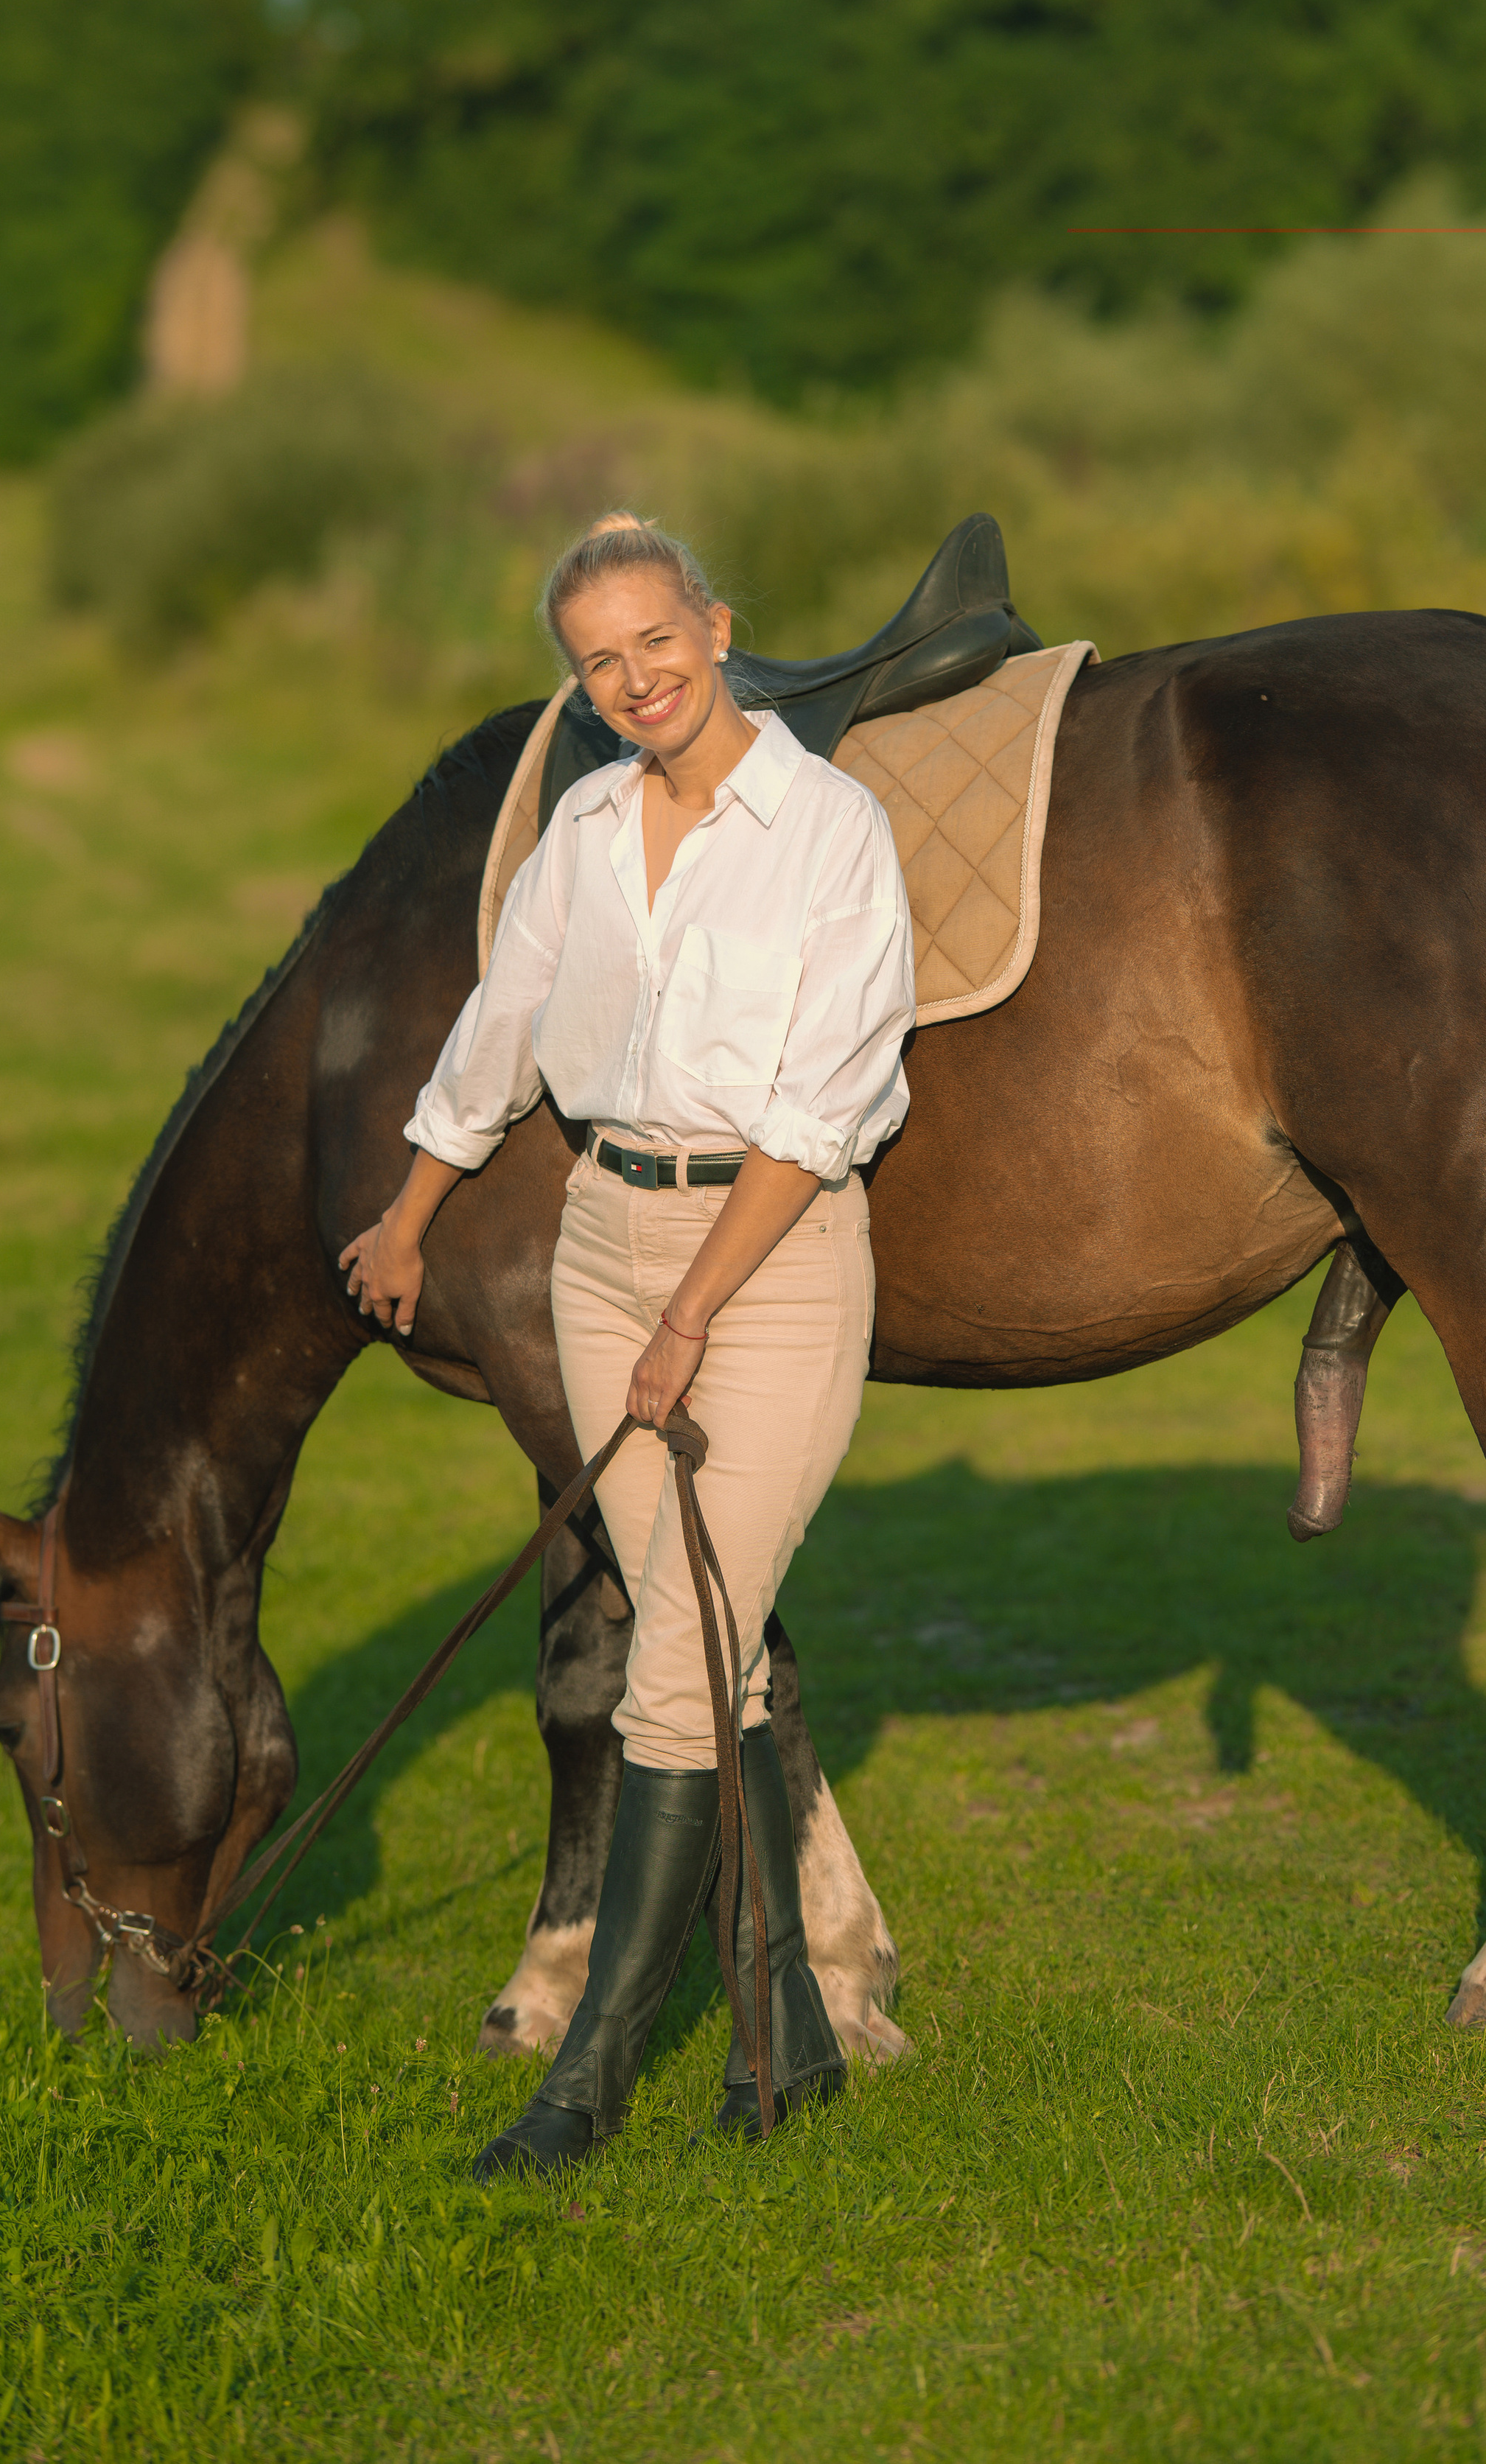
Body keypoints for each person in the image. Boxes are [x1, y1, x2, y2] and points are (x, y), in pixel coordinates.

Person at [340, 513, 915, 2178]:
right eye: (599, 660)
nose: (634, 677)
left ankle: (587, 2081)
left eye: (654, 640)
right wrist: (409, 1209)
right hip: (601, 1237)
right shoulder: (584, 827)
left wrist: (691, 1314)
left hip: (774, 1254)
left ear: (716, 626)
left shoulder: (827, 830)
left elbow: (817, 1112)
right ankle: (787, 2032)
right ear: (578, 685)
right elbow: (499, 1031)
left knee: (671, 1671)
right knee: (694, 1639)